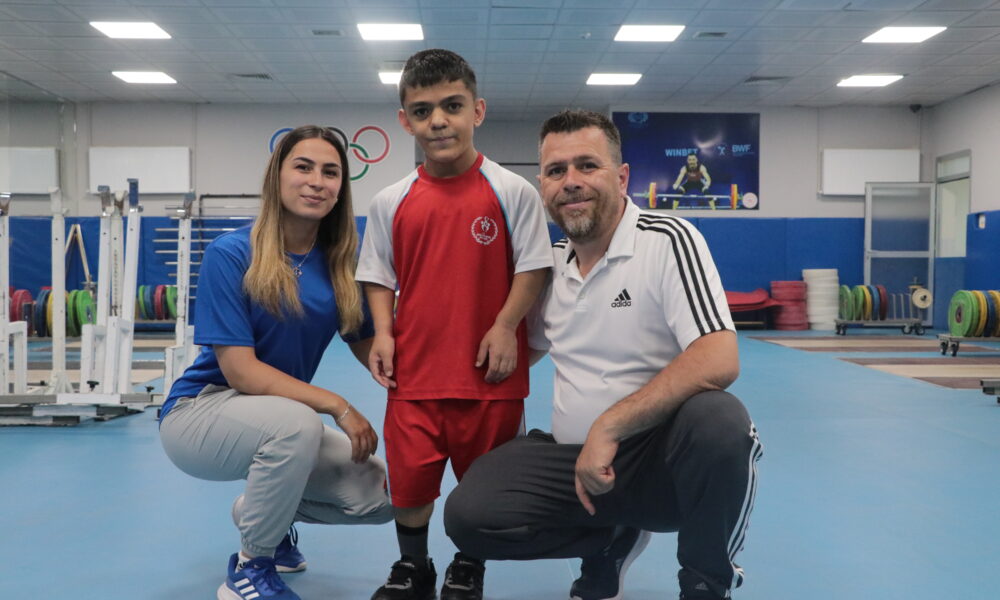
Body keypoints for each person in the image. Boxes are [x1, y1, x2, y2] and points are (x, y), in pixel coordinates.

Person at [444, 110, 762, 600]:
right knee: (470, 515)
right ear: (543, 186)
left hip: (659, 467)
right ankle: (610, 540)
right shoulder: (549, 266)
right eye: (556, 171)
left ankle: (705, 583)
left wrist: (609, 427)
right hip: (573, 463)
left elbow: (719, 357)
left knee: (720, 421)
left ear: (622, 177)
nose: (571, 181)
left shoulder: (667, 241)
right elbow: (515, 355)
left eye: (587, 165)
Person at [159, 125, 393, 600]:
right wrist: (339, 405)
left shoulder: (339, 263)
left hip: (278, 419)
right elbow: (240, 371)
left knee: (385, 495)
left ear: (341, 188)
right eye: (303, 167)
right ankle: (250, 568)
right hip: (199, 412)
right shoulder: (232, 253)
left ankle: (263, 515)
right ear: (277, 176)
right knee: (297, 424)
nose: (317, 181)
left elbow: (369, 344)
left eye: (330, 172)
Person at [356, 49, 553, 600]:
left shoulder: (513, 191)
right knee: (410, 484)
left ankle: (469, 564)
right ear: (406, 121)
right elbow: (377, 275)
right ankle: (413, 566)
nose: (438, 121)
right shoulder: (391, 200)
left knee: (483, 488)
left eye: (452, 106)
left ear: (477, 111)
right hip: (414, 375)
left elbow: (535, 267)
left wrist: (505, 325)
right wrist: (384, 332)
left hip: (490, 378)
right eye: (422, 111)